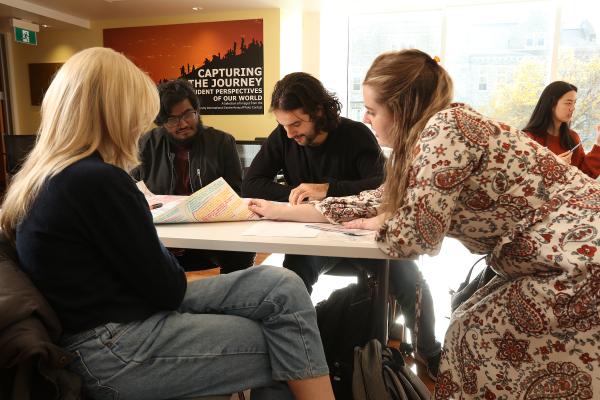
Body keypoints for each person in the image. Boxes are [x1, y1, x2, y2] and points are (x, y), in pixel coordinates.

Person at [248, 49, 600, 399]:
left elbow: (416, 237)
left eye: (372, 110)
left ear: (400, 108)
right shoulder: (425, 141)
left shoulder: (445, 130)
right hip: (561, 253)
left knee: (476, 335)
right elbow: (375, 200)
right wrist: (280, 210)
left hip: (576, 257)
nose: (367, 119)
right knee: (472, 329)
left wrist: (379, 223)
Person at [0, 47, 334, 400]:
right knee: (289, 342)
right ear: (117, 113)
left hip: (111, 324)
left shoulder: (43, 179)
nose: (141, 127)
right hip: (114, 347)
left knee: (282, 284)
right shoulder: (97, 181)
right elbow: (167, 288)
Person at [242, 71, 441, 378]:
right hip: (316, 234)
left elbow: (379, 185)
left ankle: (430, 350)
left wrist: (326, 189)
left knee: (408, 280)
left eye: (297, 123)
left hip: (366, 233)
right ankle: (298, 353)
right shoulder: (283, 136)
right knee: (292, 279)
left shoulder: (355, 134)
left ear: (319, 112)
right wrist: (300, 197)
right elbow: (252, 183)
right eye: (284, 125)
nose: (290, 133)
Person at [131, 79, 255, 272]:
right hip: (163, 238)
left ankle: (232, 299)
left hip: (212, 237)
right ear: (162, 122)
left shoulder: (222, 142)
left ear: (197, 110)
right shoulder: (146, 145)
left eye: (188, 114)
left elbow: (234, 195)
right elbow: (133, 193)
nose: (183, 124)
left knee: (244, 249)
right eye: (172, 120)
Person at [523, 80, 600, 179]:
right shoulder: (528, 138)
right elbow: (523, 181)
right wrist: (554, 166)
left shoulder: (573, 137)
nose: (572, 108)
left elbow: (585, 175)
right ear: (551, 104)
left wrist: (598, 144)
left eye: (574, 103)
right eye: (568, 103)